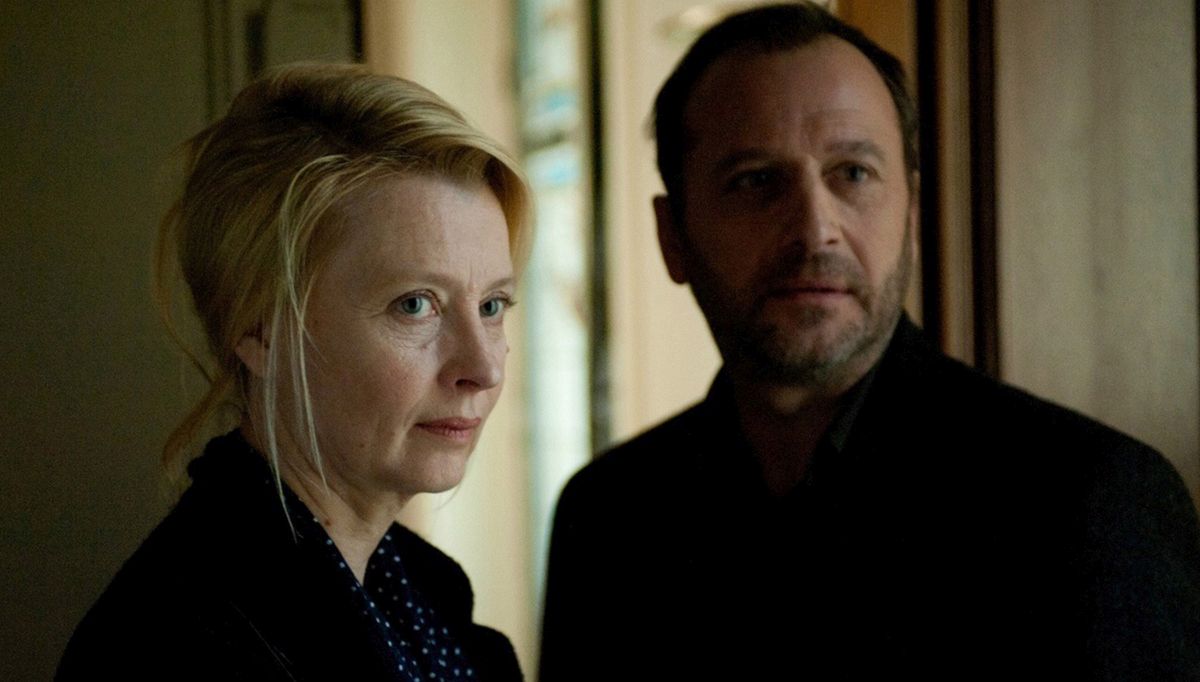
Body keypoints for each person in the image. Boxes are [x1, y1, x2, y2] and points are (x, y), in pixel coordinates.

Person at [539, 3, 1200, 679]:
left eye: (853, 173)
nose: (815, 228)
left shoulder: (1087, 502)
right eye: (756, 181)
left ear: (910, 215)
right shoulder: (608, 520)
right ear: (671, 237)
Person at [58, 63, 530, 681]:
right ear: (260, 328)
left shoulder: (429, 596)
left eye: (492, 305)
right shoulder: (172, 648)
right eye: (415, 305)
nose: (484, 367)